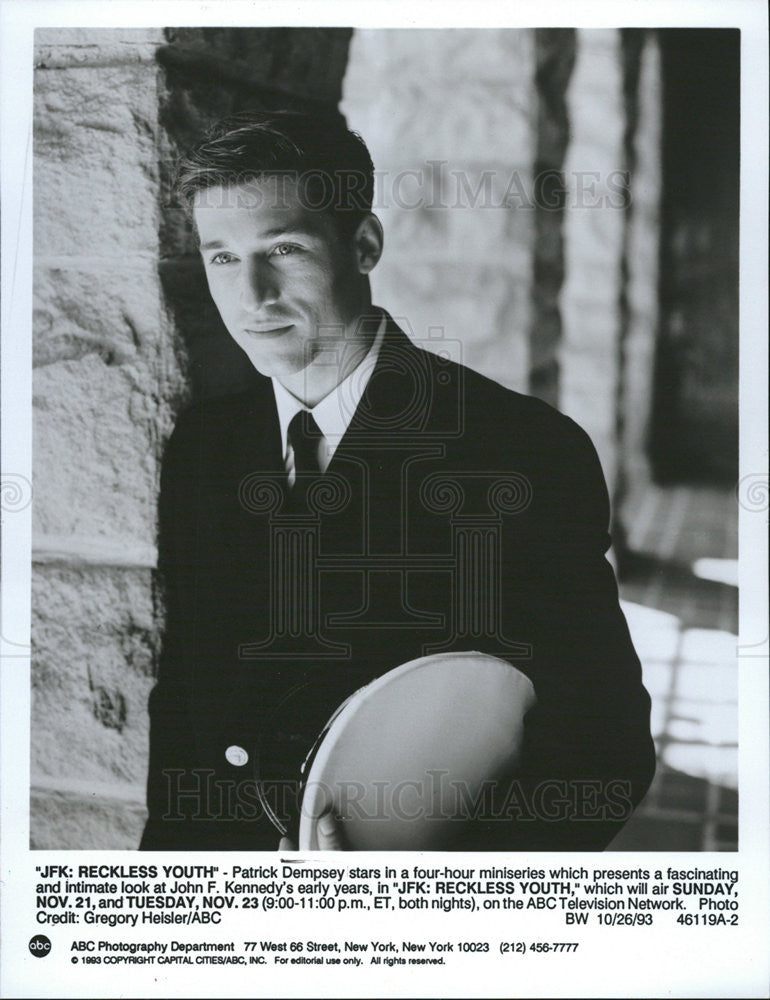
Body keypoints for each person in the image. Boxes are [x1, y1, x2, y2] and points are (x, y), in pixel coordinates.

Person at [140, 110, 655, 852]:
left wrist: (417, 888)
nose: (253, 295)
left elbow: (604, 746)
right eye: (222, 258)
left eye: (284, 248)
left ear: (364, 243)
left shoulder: (523, 449)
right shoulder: (201, 450)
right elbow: (184, 714)